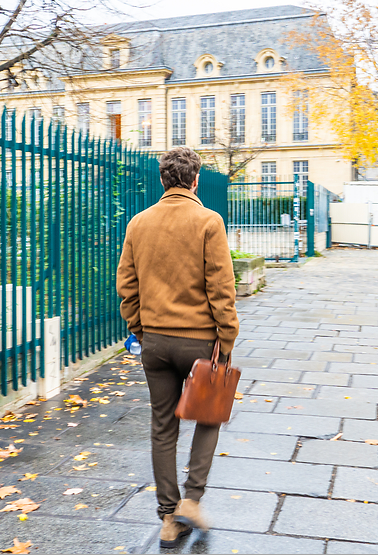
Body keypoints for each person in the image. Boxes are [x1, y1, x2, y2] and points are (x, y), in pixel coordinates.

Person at [116, 147, 239, 548]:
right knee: (210, 413)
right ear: (196, 179)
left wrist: (140, 327)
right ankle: (193, 499)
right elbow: (221, 288)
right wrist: (226, 339)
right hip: (201, 341)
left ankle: (169, 518)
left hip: (154, 341)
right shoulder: (208, 221)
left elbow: (127, 287)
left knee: (162, 426)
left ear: (164, 179)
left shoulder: (138, 223)